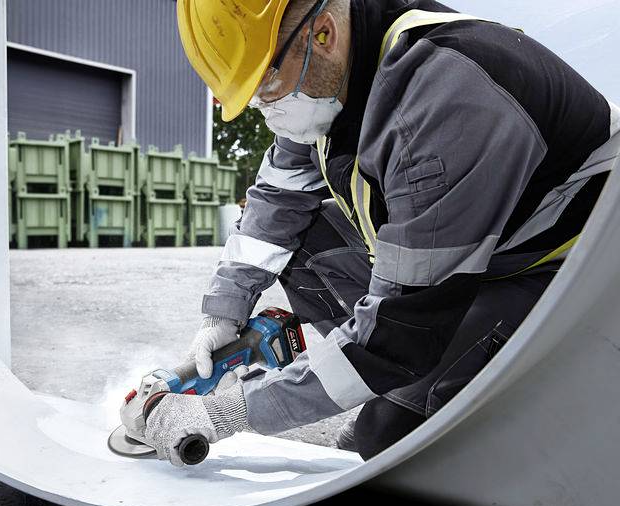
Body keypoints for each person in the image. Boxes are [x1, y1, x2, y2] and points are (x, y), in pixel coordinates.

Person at [143, 0, 620, 466]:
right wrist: (222, 316)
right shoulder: (333, 72)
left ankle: (433, 392)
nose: (265, 109)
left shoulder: (443, 103)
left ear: (324, 34)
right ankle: (406, 381)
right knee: (299, 247)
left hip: (575, 273)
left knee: (390, 438)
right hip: (485, 252)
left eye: (266, 83)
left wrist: (233, 410)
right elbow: (278, 198)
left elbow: (399, 329)